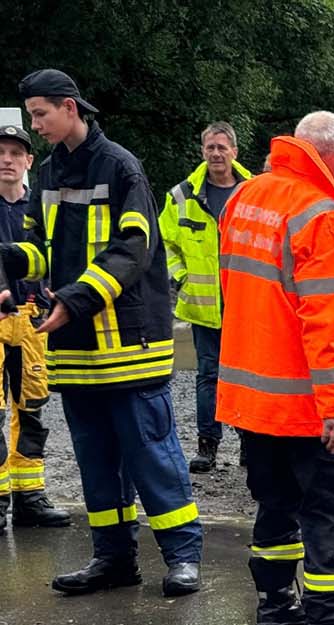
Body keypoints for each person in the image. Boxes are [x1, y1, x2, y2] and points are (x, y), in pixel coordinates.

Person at [0, 70, 201, 596]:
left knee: (150, 450)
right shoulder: (46, 173)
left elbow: (134, 249)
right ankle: (113, 559)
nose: (35, 126)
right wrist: (8, 263)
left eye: (40, 115)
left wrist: (74, 299)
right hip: (77, 344)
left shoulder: (119, 166)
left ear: (70, 108)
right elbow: (42, 250)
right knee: (94, 458)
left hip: (129, 340)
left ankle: (183, 557)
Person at [216, 110, 334, 625]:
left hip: (249, 395)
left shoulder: (244, 197)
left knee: (274, 504)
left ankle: (275, 606)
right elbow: (326, 323)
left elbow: (238, 296)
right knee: (330, 509)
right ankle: (327, 619)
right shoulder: (322, 213)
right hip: (304, 402)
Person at [158, 121, 252, 473]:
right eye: (210, 147)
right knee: (208, 375)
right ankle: (207, 445)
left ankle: (249, 442)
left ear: (234, 152)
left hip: (246, 304)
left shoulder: (253, 192)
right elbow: (163, 243)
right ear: (202, 152)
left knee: (247, 376)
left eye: (222, 147)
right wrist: (181, 277)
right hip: (201, 306)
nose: (216, 153)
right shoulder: (181, 196)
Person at [0, 121, 70, 530]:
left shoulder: (39, 208)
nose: (7, 161)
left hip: (31, 319)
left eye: (15, 154)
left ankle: (30, 496)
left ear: (28, 161)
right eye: (1, 154)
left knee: (32, 409)